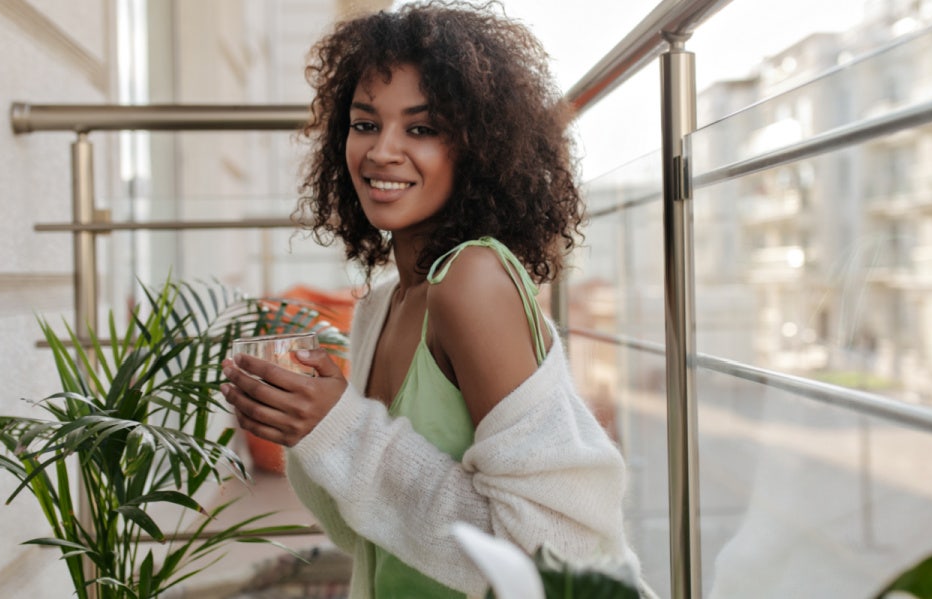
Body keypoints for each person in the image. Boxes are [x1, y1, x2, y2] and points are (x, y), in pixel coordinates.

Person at [219, 2, 642, 596]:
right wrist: (306, 427)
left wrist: (340, 428)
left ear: (479, 147)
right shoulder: (382, 304)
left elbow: (552, 560)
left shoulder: (474, 282)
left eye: (422, 128)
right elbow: (372, 531)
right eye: (366, 124)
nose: (382, 151)